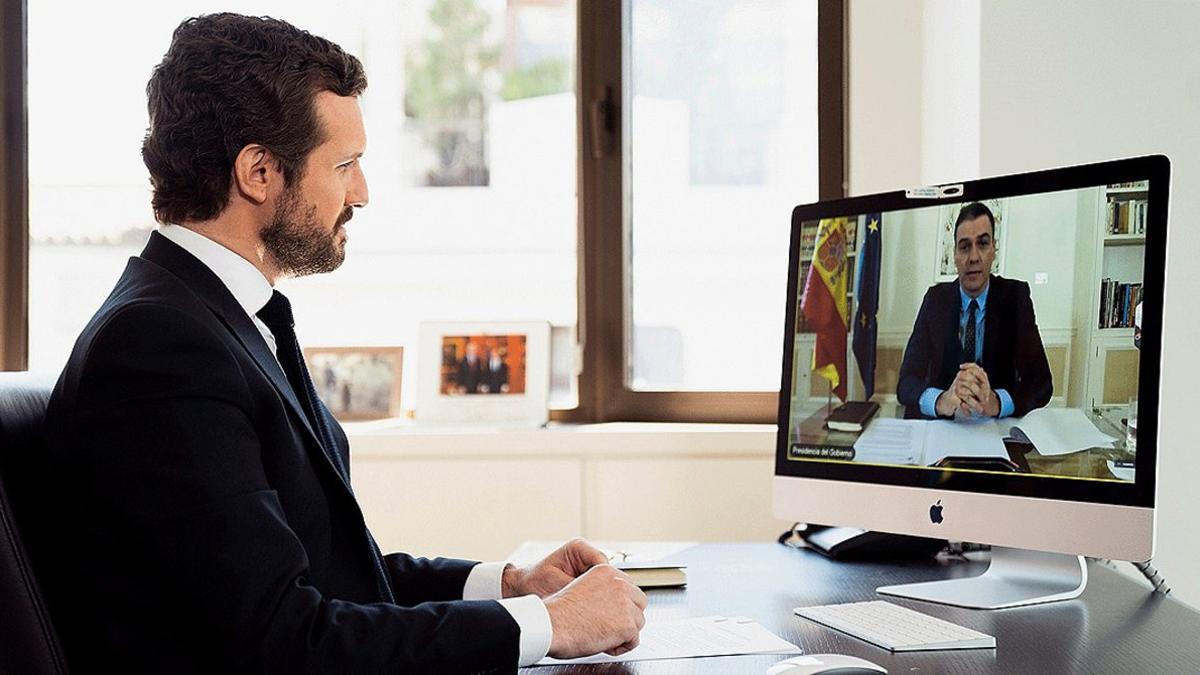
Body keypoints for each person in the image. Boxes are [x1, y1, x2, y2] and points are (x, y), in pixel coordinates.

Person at [39, 13, 645, 672]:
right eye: (346, 164)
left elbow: (323, 573)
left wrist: (511, 584)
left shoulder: (220, 318)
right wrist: (548, 625)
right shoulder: (159, 347)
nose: (362, 191)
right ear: (259, 172)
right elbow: (282, 637)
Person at [897, 202, 1053, 420]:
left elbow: (1041, 382)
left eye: (982, 244)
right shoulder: (935, 300)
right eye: (964, 246)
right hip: (943, 428)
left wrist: (997, 402)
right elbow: (907, 382)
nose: (973, 257)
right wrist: (940, 400)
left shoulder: (1015, 298)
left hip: (994, 429)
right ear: (954, 255)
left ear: (993, 250)